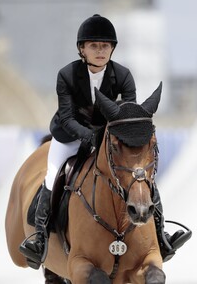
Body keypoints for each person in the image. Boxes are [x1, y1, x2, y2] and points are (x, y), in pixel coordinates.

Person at [20, 14, 189, 269]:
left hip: (109, 139)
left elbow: (128, 113)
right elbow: (66, 117)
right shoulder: (66, 75)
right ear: (82, 49)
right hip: (71, 137)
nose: (100, 51)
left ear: (112, 49)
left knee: (139, 177)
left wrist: (109, 138)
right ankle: (40, 238)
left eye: (105, 46)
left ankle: (160, 234)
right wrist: (88, 136)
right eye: (94, 46)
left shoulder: (122, 75)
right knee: (52, 174)